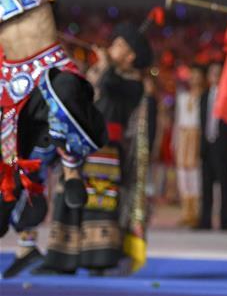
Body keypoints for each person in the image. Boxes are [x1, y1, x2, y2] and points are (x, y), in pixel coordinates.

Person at [0, 0, 107, 277]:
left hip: (50, 65)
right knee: (10, 163)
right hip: (10, 77)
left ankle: (74, 170)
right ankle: (15, 213)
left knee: (63, 100)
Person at [38, 22, 150, 275]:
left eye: (120, 46)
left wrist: (106, 66)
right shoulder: (101, 71)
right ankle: (61, 258)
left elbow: (110, 87)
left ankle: (99, 258)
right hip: (81, 143)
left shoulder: (133, 83)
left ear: (131, 57)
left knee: (100, 201)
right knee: (67, 196)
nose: (112, 47)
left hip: (107, 148)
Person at [199, 61, 227, 231]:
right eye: (212, 73)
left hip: (224, 146)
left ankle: (226, 221)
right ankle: (205, 220)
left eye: (218, 72)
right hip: (207, 145)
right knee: (206, 184)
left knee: (225, 184)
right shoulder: (204, 96)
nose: (215, 76)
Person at [173, 63, 204, 227]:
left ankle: (196, 212)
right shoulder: (183, 97)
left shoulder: (203, 98)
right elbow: (178, 121)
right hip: (184, 136)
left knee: (195, 174)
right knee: (183, 174)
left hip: (196, 135)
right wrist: (175, 141)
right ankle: (186, 211)